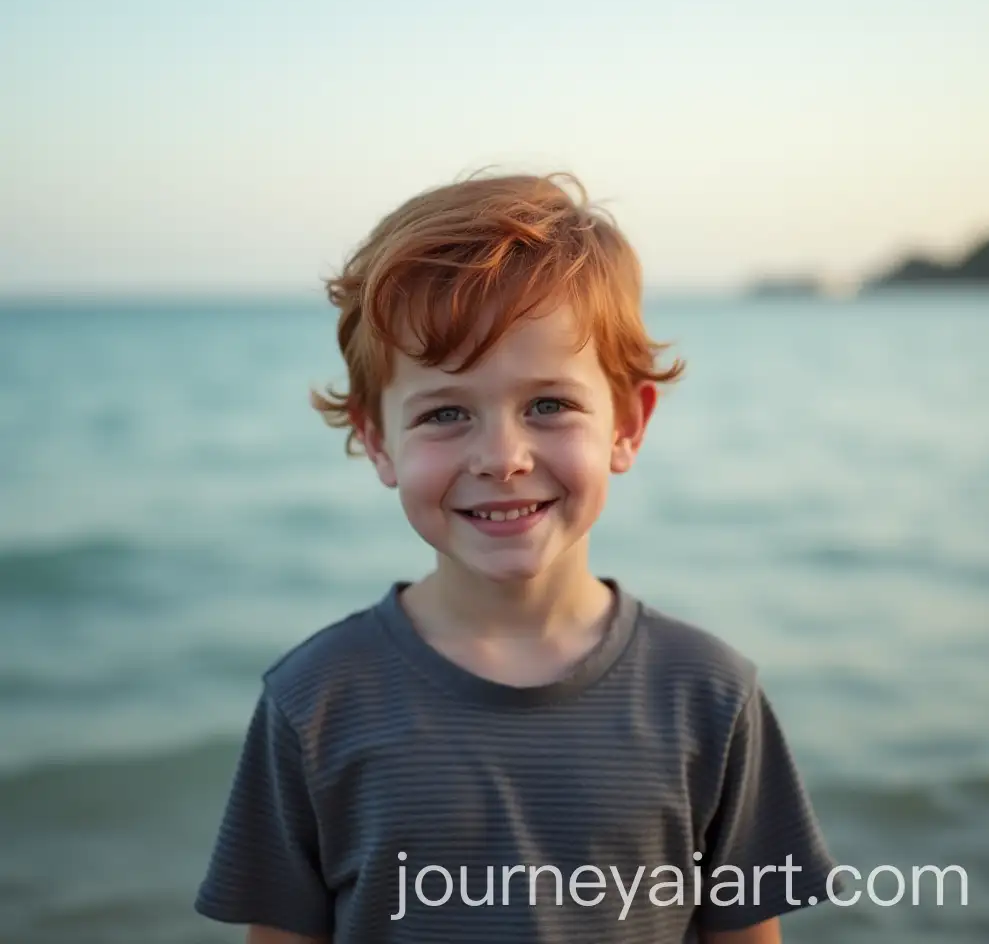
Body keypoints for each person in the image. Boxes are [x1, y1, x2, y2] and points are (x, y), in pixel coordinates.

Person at [194, 171, 840, 943]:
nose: (502, 457)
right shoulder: (315, 705)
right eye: (445, 413)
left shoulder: (709, 697)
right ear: (376, 440)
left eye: (548, 405)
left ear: (628, 425)